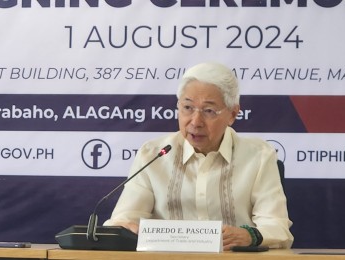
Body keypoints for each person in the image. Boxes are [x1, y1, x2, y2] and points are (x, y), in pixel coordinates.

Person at [103, 62, 294, 250]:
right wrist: (129, 229)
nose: (195, 121)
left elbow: (277, 228)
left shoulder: (258, 156)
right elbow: (122, 221)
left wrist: (249, 236)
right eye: (187, 108)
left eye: (209, 111)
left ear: (233, 114)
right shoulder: (153, 154)